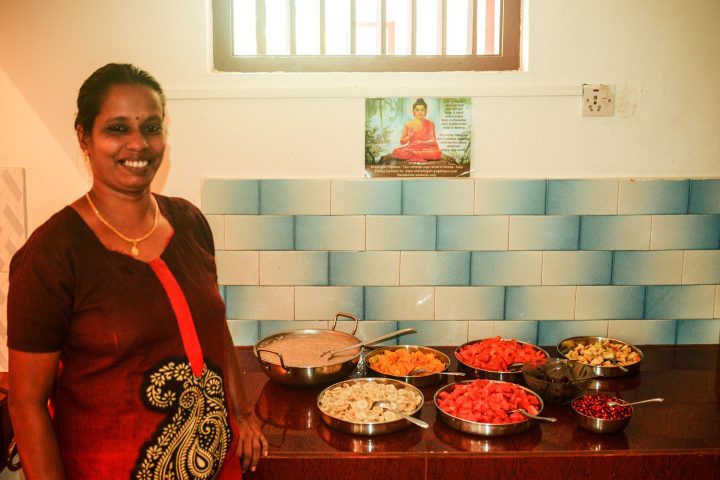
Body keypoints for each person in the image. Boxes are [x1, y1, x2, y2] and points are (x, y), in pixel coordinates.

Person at [7, 63, 268, 479]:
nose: (138, 143)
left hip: (214, 465)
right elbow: (27, 403)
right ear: (83, 136)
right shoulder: (52, 255)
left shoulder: (189, 221)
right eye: (117, 128)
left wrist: (244, 413)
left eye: (150, 126)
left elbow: (214, 327)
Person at [390, 98, 442, 162]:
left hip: (427, 148)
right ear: (413, 112)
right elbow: (402, 142)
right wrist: (409, 137)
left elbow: (433, 141)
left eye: (422, 110)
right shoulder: (408, 124)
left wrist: (420, 142)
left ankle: (415, 154)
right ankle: (416, 154)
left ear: (425, 112)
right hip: (413, 148)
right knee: (396, 152)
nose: (420, 112)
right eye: (417, 110)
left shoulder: (430, 124)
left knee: (436, 154)